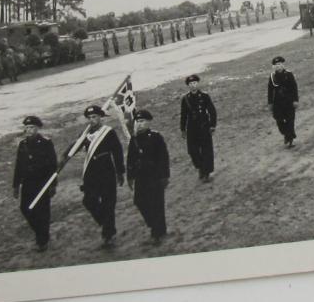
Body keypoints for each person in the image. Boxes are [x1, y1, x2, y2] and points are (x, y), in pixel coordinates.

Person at [78, 105, 125, 248]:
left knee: (108, 203)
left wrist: (120, 172)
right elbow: (75, 147)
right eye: (90, 118)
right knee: (88, 200)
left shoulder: (108, 132)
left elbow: (117, 152)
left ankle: (108, 236)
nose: (92, 120)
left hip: (106, 171)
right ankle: (106, 223)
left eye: (95, 117)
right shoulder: (85, 134)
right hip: (91, 173)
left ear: (100, 117)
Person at [12, 116, 58, 252]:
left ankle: (42, 241)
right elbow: (19, 166)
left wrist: (53, 184)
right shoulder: (22, 144)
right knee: (25, 209)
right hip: (27, 183)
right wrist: (16, 186)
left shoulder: (46, 143)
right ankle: (41, 233)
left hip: (42, 182)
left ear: (38, 128)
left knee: (43, 212)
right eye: (26, 127)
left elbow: (52, 165)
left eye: (32, 127)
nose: (29, 130)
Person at [126, 109, 170, 245]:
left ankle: (158, 231)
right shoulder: (134, 139)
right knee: (139, 201)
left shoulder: (156, 137)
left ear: (149, 122)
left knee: (157, 204)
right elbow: (130, 159)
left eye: (142, 121)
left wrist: (164, 176)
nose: (139, 124)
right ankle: (153, 224)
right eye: (137, 121)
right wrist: (130, 176)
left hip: (155, 176)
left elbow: (164, 157)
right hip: (140, 177)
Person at [180, 75, 217, 182]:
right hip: (192, 128)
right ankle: (200, 167)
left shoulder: (205, 96)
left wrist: (212, 125)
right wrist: (182, 129)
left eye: (195, 83)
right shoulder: (185, 99)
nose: (193, 85)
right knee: (192, 151)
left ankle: (207, 173)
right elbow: (183, 115)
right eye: (191, 84)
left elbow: (212, 111)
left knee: (207, 150)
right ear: (188, 86)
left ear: (198, 84)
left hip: (204, 126)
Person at [267, 56, 299, 147]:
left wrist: (295, 100)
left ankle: (289, 138)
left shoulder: (289, 74)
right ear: (273, 66)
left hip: (289, 101)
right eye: (276, 65)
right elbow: (270, 90)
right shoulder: (272, 76)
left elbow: (294, 88)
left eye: (280, 64)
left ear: (283, 65)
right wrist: (270, 103)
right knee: (279, 120)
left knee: (290, 120)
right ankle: (287, 134)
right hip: (278, 103)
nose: (278, 66)